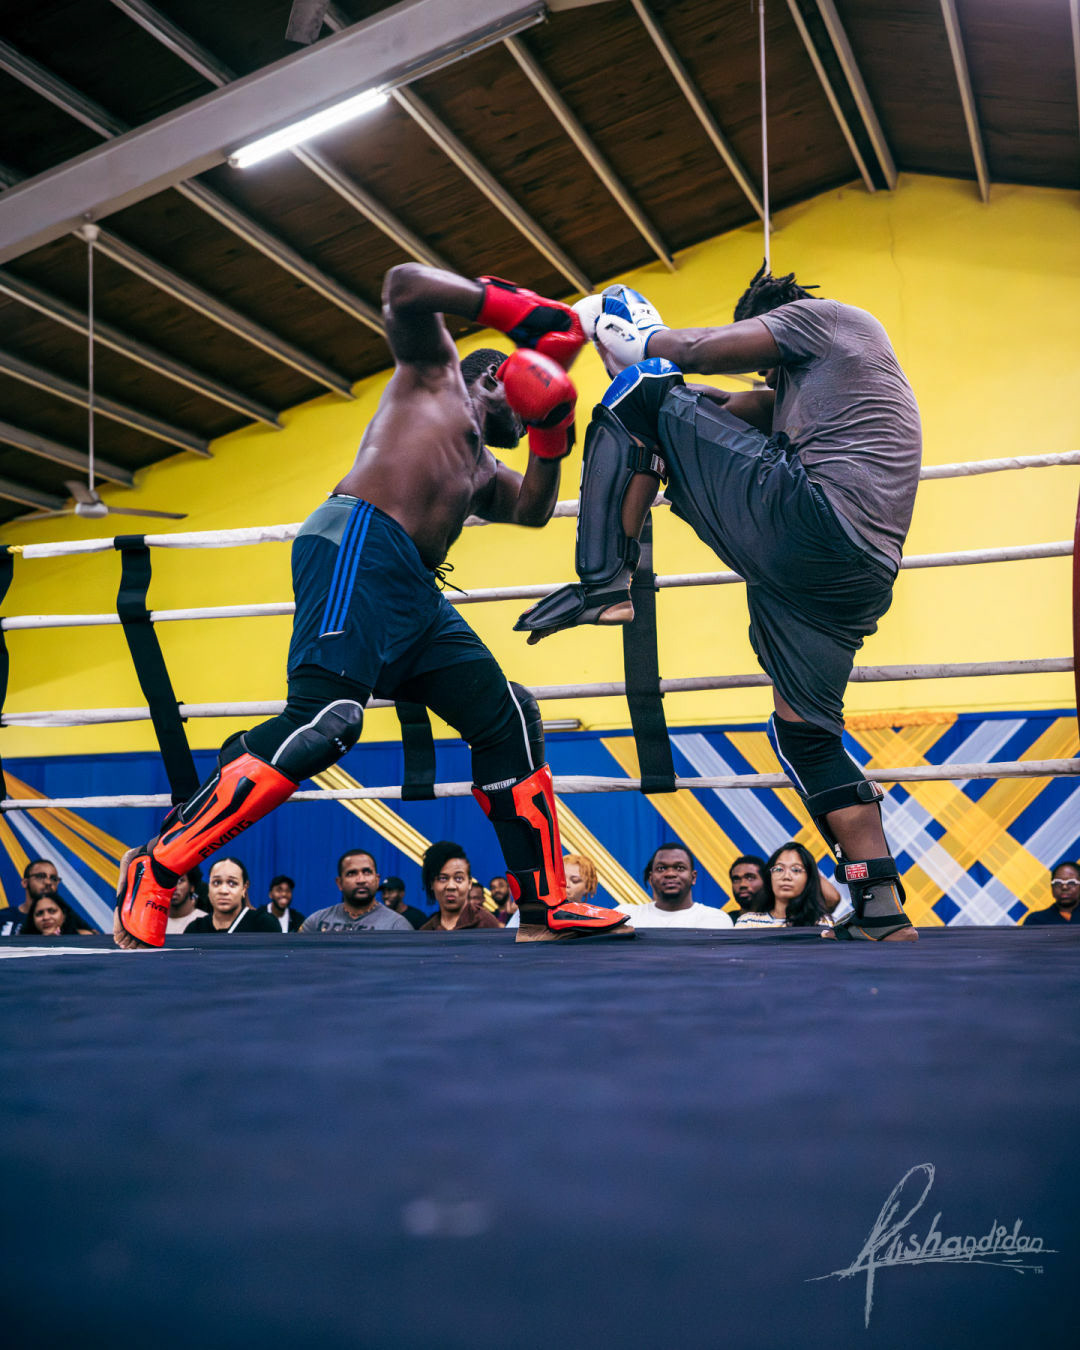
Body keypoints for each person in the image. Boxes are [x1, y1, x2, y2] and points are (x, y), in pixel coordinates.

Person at [115, 263, 631, 949]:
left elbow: (534, 509)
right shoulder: (435, 378)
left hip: (414, 591)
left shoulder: (482, 468)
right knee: (327, 721)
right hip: (358, 539)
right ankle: (157, 865)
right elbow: (403, 284)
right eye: (524, 401)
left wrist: (551, 432)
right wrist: (520, 312)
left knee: (508, 714)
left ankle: (544, 907)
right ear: (492, 378)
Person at [517, 268, 922, 942]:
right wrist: (632, 372)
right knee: (804, 736)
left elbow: (686, 353)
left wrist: (607, 321)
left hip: (815, 526)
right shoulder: (808, 393)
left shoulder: (827, 319)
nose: (763, 374)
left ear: (770, 324)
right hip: (851, 578)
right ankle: (878, 903)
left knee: (645, 387)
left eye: (761, 355)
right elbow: (708, 409)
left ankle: (605, 581)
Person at [616, 843, 733, 929]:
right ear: (651, 878)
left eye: (680, 868)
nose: (670, 874)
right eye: (661, 868)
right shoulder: (626, 915)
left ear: (693, 877)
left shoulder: (715, 918)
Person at [301, 850, 411, 933]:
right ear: (339, 883)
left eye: (367, 872)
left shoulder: (396, 925)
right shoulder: (316, 922)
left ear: (377, 880)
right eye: (352, 873)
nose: (361, 880)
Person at [735, 842, 833, 929]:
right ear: (769, 876)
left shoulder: (821, 922)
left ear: (808, 878)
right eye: (778, 869)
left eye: (796, 870)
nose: (786, 876)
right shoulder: (748, 922)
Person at [419, 841, 501, 932]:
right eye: (443, 878)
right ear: (431, 884)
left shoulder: (486, 923)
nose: (451, 886)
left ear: (469, 883)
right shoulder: (426, 931)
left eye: (458, 878)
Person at [183, 858, 279, 934]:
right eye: (216, 882)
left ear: (244, 888)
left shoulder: (264, 924)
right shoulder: (195, 929)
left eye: (232, 883)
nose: (223, 891)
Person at [0, 858, 61, 935]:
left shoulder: (68, 921)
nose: (48, 882)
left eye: (53, 878)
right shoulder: (3, 917)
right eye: (40, 876)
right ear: (25, 883)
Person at [1024, 860, 1080, 925]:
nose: (1064, 887)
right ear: (1052, 887)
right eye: (1058, 883)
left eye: (1071, 882)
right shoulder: (1035, 920)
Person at [20, 892, 92, 937]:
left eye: (52, 911)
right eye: (39, 913)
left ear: (64, 915)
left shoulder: (85, 937)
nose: (46, 917)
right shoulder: (22, 944)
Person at [165, 867, 206, 935]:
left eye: (180, 881)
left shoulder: (204, 922)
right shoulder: (152, 921)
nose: (174, 887)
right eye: (169, 880)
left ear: (192, 887)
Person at [728, 855, 767, 921]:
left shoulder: (781, 920)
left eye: (750, 878)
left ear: (766, 882)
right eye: (736, 879)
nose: (742, 884)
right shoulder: (725, 921)